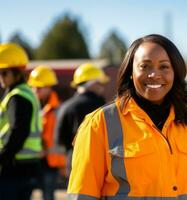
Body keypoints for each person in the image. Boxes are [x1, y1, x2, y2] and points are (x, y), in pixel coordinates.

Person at [67, 34, 187, 199]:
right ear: (130, 72)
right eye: (144, 66)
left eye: (164, 67)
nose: (154, 74)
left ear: (175, 72)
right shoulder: (98, 124)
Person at [0, 43, 43, 199]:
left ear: (17, 73)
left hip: (15, 167)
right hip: (26, 166)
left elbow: (18, 131)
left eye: (4, 73)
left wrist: (2, 157)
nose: (1, 78)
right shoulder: (27, 93)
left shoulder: (17, 97)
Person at [54, 63, 109, 176]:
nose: (102, 87)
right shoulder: (103, 107)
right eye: (100, 83)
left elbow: (60, 140)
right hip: (100, 165)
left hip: (74, 164)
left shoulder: (65, 107)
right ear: (92, 84)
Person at [28, 65, 66, 200]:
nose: (35, 90)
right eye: (33, 87)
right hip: (32, 159)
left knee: (48, 195)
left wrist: (62, 164)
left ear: (49, 87)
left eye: (39, 87)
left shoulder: (59, 110)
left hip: (50, 162)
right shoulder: (32, 106)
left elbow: (59, 138)